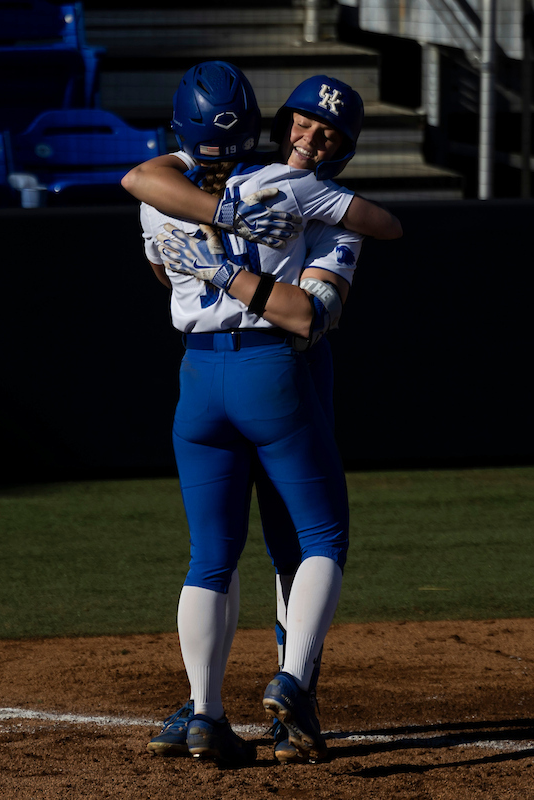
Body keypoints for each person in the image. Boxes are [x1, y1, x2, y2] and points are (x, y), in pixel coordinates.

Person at [123, 65, 400, 764]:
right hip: (274, 373)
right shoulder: (296, 191)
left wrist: (212, 255)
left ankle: (206, 713)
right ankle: (291, 686)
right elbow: (319, 301)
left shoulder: (168, 189)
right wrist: (234, 255)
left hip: (200, 374)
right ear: (269, 123)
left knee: (215, 555)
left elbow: (143, 193)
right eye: (302, 124)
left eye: (327, 133)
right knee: (317, 539)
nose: (309, 139)